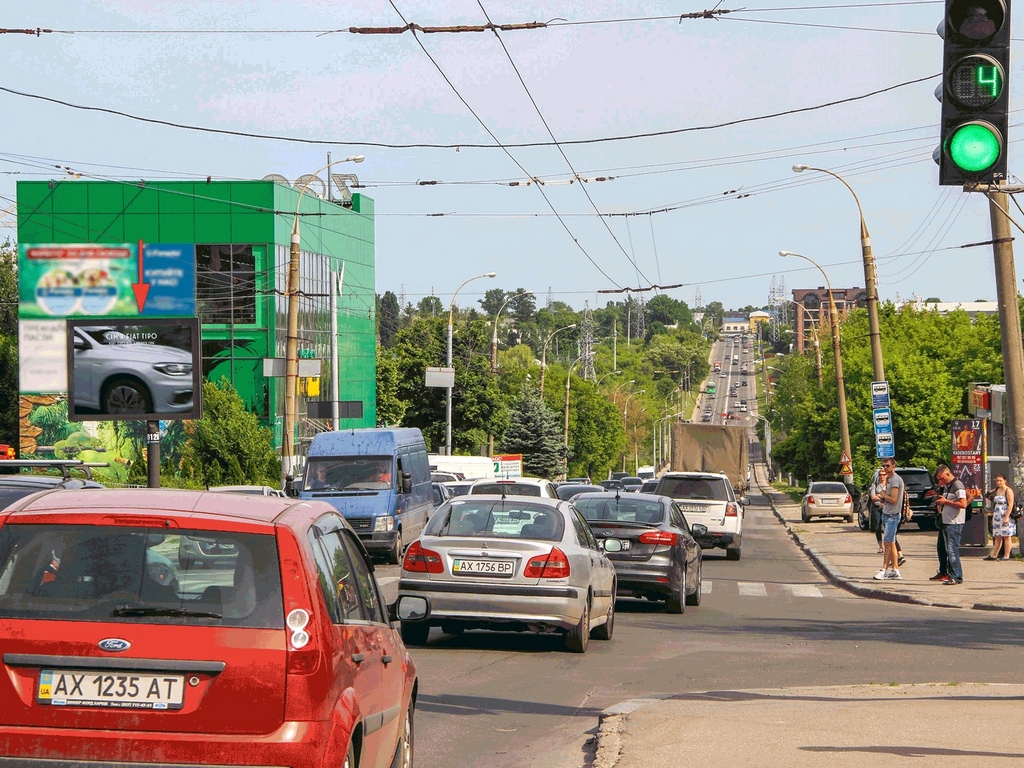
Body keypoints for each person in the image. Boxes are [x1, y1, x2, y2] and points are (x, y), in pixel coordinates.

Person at [871, 458, 905, 580]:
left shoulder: (895, 480)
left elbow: (894, 499)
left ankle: (884, 569)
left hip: (893, 516)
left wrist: (882, 494)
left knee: (887, 543)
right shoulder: (889, 480)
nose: (885, 468)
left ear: (893, 466)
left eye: (887, 465)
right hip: (887, 513)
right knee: (891, 543)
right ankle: (895, 570)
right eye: (884, 466)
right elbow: (888, 499)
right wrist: (882, 499)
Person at [933, 464, 968, 585]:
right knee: (948, 549)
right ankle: (950, 574)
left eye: (942, 478)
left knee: (952, 550)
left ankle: (956, 576)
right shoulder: (948, 486)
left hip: (954, 522)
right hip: (946, 521)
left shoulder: (958, 485)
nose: (941, 481)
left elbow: (963, 504)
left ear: (948, 474)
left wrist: (945, 501)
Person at [986, 474, 1015, 561]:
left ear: (1005, 481)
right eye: (997, 481)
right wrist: (995, 489)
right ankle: (994, 555)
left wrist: (1006, 517)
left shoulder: (1008, 490)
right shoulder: (998, 490)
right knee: (997, 536)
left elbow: (1010, 504)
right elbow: (987, 494)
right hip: (997, 514)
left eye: (1000, 481)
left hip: (1005, 514)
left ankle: (1006, 555)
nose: (998, 482)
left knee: (1006, 536)